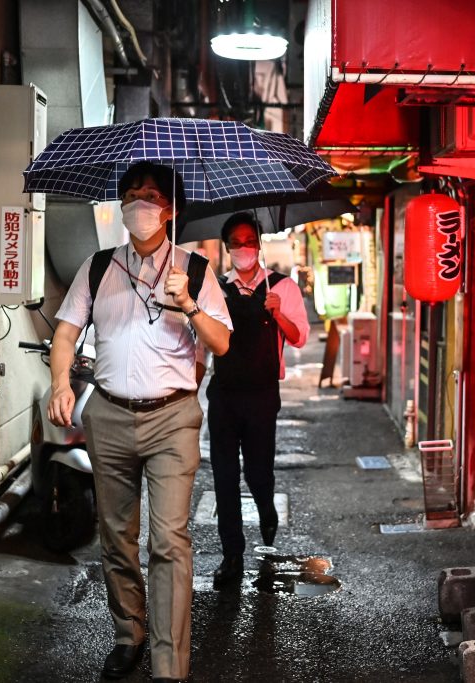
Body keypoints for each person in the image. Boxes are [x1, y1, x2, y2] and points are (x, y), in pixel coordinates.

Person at [47, 161, 232, 683]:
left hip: (172, 419)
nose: (138, 203)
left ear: (169, 209)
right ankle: (129, 634)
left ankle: (169, 665)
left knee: (168, 541)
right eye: (130, 194)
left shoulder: (194, 269)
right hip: (107, 414)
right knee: (115, 535)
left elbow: (220, 344)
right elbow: (65, 333)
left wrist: (189, 305)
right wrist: (61, 383)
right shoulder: (99, 266)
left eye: (149, 195)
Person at [208, 212, 310, 589]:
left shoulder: (281, 286)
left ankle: (266, 508)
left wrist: (278, 312)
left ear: (260, 244)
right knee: (224, 475)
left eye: (249, 240)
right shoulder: (215, 289)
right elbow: (203, 340)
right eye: (235, 242)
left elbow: (299, 338)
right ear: (227, 248)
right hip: (224, 395)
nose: (243, 248)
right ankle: (231, 554)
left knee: (257, 472)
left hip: (263, 395)